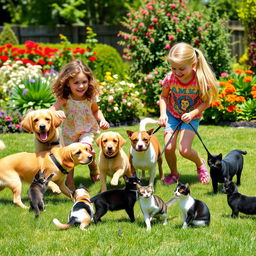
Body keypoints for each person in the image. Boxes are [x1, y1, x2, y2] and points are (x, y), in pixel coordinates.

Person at [158, 42, 218, 185]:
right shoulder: (170, 78)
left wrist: (192, 114)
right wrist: (163, 114)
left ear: (193, 64)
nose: (177, 72)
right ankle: (174, 173)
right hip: (172, 114)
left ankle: (200, 164)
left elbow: (206, 102)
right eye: (173, 68)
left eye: (181, 69)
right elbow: (163, 96)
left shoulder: (200, 80)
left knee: (184, 150)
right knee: (169, 148)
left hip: (192, 117)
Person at [50, 60, 109, 189]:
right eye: (76, 83)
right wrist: (56, 113)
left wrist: (102, 120)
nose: (81, 86)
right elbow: (52, 110)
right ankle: (70, 183)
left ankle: (92, 167)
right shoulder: (66, 98)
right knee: (71, 157)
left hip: (87, 128)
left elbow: (95, 110)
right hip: (69, 132)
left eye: (84, 82)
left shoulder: (90, 97)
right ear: (68, 83)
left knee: (86, 149)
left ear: (89, 81)